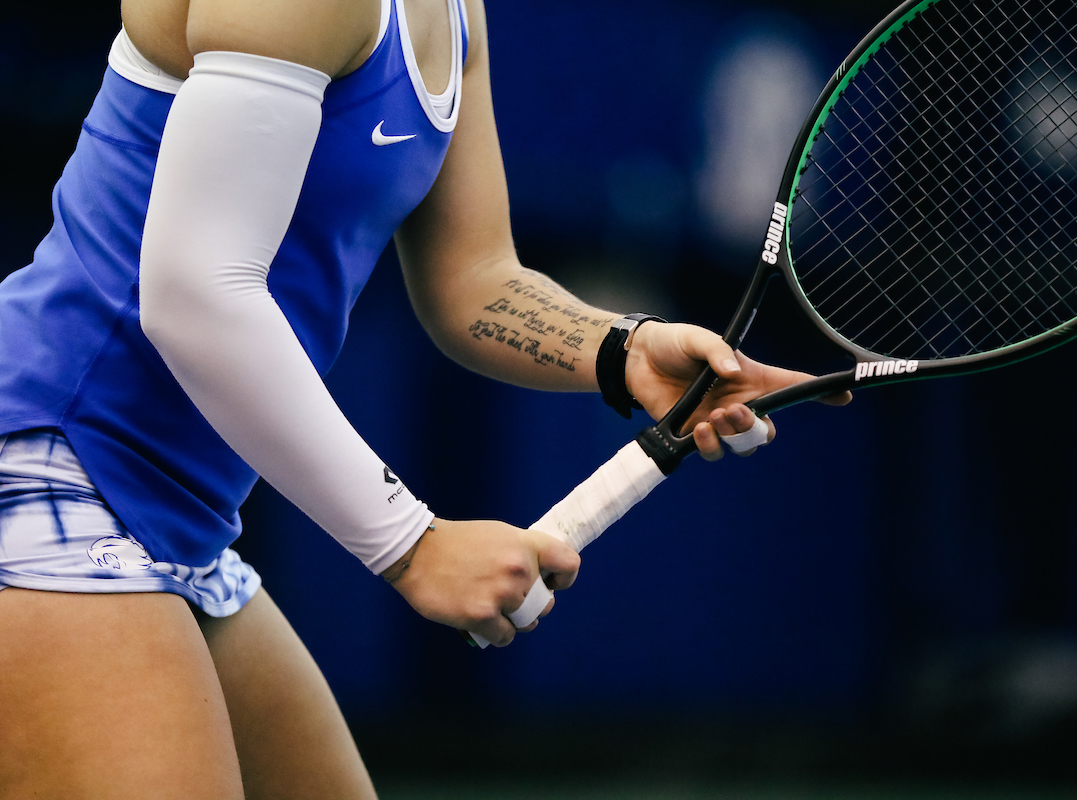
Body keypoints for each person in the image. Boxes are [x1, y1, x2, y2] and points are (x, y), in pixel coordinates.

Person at [0, 0, 847, 796]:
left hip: (179, 515)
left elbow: (473, 279)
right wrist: (414, 545)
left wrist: (621, 350)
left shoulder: (452, 10)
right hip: (48, 463)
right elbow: (194, 294)